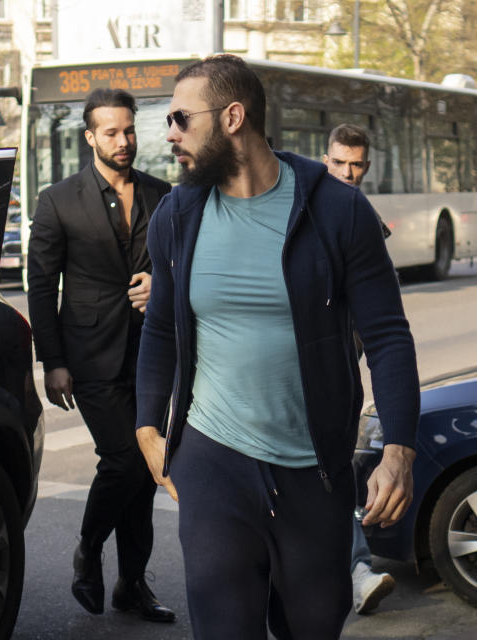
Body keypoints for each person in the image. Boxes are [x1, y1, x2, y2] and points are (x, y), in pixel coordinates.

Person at [135, 54, 419, 638]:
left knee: (311, 626)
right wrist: (147, 427)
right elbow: (161, 326)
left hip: (313, 469)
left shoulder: (337, 212)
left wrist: (399, 449)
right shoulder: (177, 214)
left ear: (233, 117)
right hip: (212, 460)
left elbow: (388, 336)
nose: (169, 134)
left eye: (181, 119)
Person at [27, 88, 175, 623]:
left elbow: (184, 265)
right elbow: (41, 286)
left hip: (153, 356)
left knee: (144, 469)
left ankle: (131, 584)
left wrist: (161, 282)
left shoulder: (163, 196)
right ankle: (89, 550)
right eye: (111, 132)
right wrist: (53, 361)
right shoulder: (58, 200)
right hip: (89, 358)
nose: (123, 141)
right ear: (90, 137)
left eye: (129, 130)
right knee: (125, 460)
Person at [323, 123, 398, 614]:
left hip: (341, 371)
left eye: (357, 166)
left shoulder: (366, 219)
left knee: (333, 468)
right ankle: (353, 570)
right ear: (323, 160)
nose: (348, 174)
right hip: (297, 367)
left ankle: (353, 570)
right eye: (339, 164)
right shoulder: (301, 207)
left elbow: (384, 319)